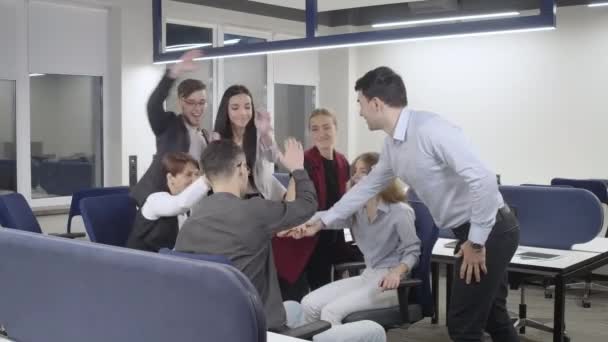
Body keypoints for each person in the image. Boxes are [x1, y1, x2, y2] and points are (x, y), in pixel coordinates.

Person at [306, 66, 520, 342]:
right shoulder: (393, 146)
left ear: (376, 103)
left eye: (360, 104)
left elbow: (485, 181)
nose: (359, 112)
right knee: (494, 317)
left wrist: (477, 242)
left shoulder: (430, 129)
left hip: (491, 230)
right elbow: (365, 189)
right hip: (472, 232)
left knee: (462, 326)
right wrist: (322, 221)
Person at [174, 139, 386, 342]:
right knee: (373, 331)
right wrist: (297, 169)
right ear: (241, 168)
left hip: (217, 328)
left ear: (208, 178)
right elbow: (307, 205)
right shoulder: (254, 210)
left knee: (294, 306)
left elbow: (235, 243)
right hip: (258, 331)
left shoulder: (192, 221)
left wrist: (271, 231)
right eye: (246, 168)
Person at [282, 152, 421, 326]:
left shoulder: (400, 212)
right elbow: (325, 217)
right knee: (308, 303)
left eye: (362, 171)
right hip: (367, 276)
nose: (355, 176)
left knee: (330, 312)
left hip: (392, 284)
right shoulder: (357, 211)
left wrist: (397, 272)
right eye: (354, 171)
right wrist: (297, 224)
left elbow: (413, 251)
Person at [275, 108, 361, 301]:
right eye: (315, 129)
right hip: (305, 236)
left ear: (336, 128)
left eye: (326, 127)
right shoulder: (305, 160)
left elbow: (346, 202)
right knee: (304, 297)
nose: (321, 134)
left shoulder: (342, 161)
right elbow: (291, 199)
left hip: (332, 235)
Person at [131, 50, 210, 207]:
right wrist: (174, 72)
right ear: (181, 102)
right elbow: (153, 105)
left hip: (182, 205)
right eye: (191, 102)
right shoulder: (168, 125)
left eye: (202, 102)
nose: (197, 108)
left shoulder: (204, 137)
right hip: (153, 202)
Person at [213, 85, 287, 200]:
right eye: (235, 108)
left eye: (247, 107)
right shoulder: (218, 138)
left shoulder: (259, 133)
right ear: (226, 110)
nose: (243, 113)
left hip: (259, 195)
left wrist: (265, 134)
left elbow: (273, 158)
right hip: (231, 199)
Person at [127, 152, 209, 252]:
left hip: (166, 261)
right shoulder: (155, 200)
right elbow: (179, 204)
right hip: (141, 261)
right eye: (188, 175)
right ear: (170, 178)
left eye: (196, 174)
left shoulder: (190, 204)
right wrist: (208, 179)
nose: (195, 179)